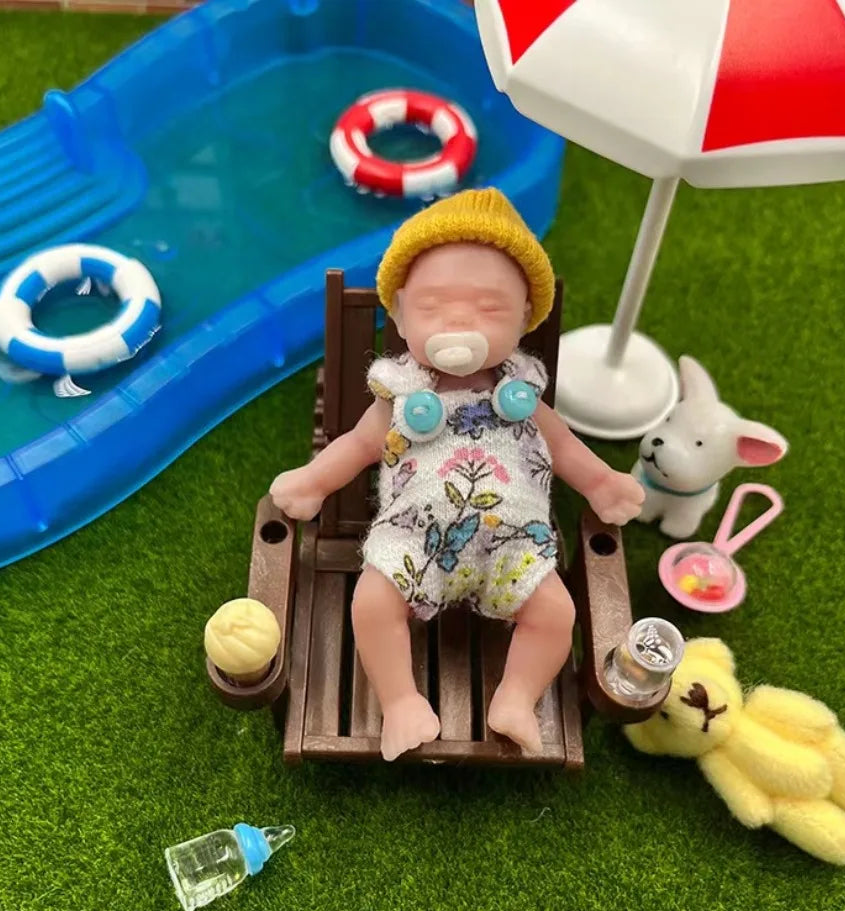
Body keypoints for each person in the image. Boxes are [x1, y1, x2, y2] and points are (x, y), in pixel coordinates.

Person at [271, 189, 643, 760]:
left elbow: (564, 445)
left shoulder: (522, 397)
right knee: (371, 603)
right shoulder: (400, 398)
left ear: (525, 316)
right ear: (399, 313)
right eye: (433, 306)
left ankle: (516, 698)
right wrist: (314, 481)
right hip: (413, 540)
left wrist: (600, 482)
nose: (460, 323)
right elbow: (359, 445)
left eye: (490, 309)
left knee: (556, 613)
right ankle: (401, 703)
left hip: (513, 543)